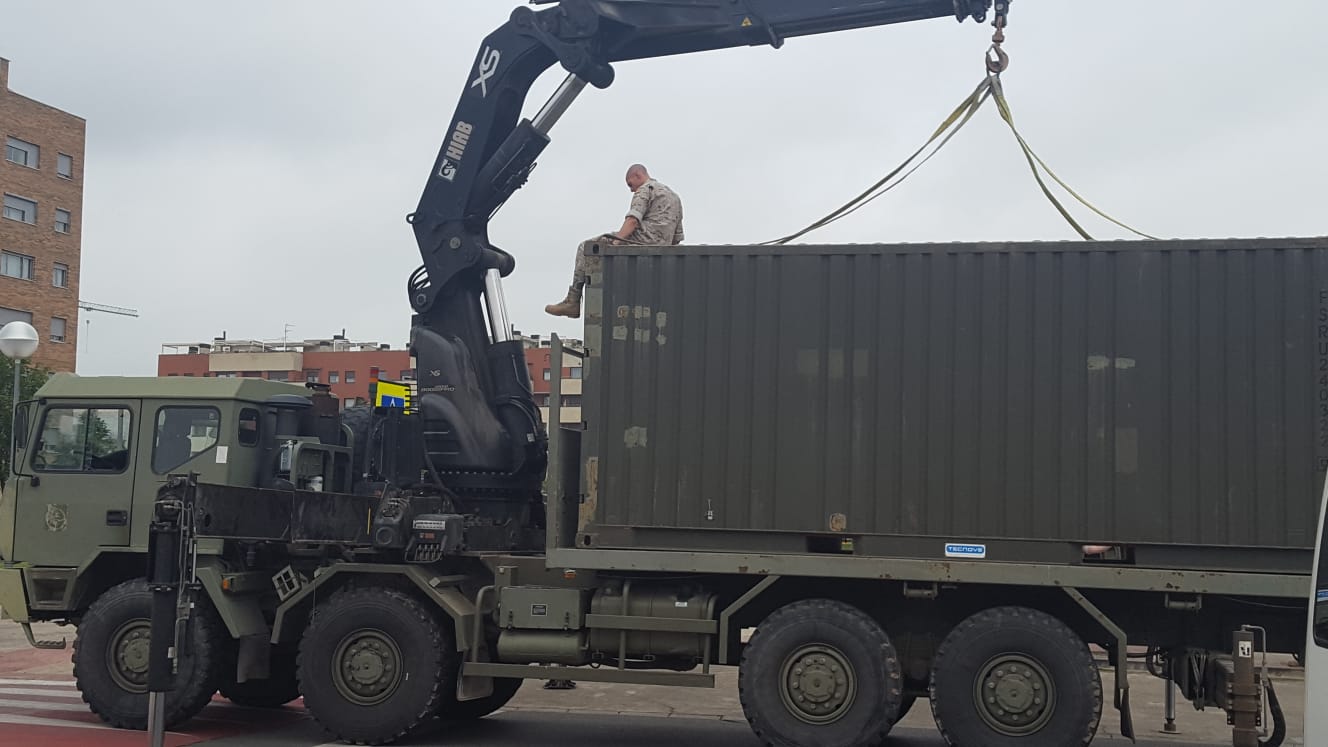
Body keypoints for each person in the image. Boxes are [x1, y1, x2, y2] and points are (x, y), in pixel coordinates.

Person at [544, 163, 684, 318]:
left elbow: (632, 221)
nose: (631, 189)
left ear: (638, 175)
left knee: (585, 247)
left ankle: (573, 301)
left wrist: (615, 244)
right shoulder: (674, 197)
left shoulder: (646, 189)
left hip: (641, 241)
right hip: (662, 247)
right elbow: (676, 239)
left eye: (630, 184)